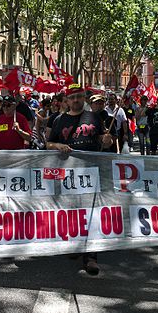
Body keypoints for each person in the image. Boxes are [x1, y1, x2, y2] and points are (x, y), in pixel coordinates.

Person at [47, 83, 113, 275]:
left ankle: (91, 256)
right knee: (73, 213)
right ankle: (75, 245)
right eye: (72, 97)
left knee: (92, 214)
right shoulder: (59, 120)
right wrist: (58, 145)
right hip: (68, 175)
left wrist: (107, 139)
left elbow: (104, 139)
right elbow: (48, 143)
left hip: (92, 173)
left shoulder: (94, 117)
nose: (76, 100)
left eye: (79, 96)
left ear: (83, 98)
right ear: (66, 101)